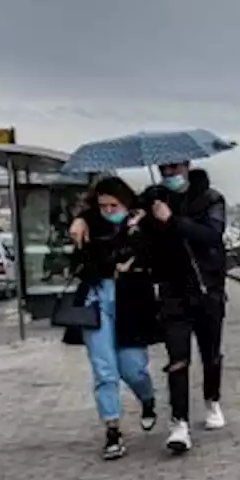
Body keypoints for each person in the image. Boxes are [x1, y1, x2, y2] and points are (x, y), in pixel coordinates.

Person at [71, 162, 229, 455]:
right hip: (170, 291)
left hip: (207, 289)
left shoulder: (210, 198)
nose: (169, 171)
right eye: (164, 166)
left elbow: (211, 235)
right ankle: (177, 424)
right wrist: (81, 218)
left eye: (174, 165)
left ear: (187, 164)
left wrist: (173, 221)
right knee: (174, 360)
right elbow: (117, 207)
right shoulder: (152, 197)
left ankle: (211, 400)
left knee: (209, 354)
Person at [66, 177, 159, 460]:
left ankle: (147, 398)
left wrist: (135, 246)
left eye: (114, 205)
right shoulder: (88, 226)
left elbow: (154, 252)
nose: (108, 211)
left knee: (133, 368)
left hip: (131, 300)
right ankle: (112, 430)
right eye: (103, 205)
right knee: (104, 369)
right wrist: (83, 225)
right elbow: (77, 264)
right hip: (98, 298)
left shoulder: (141, 222)